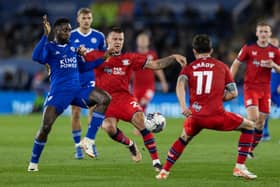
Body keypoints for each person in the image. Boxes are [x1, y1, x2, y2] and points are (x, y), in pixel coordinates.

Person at [81, 27, 186, 171]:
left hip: (124, 98)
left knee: (141, 121)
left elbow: (155, 64)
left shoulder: (129, 58)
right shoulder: (96, 56)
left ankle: (156, 161)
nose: (117, 42)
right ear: (107, 40)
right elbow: (78, 61)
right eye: (114, 39)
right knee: (109, 128)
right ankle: (130, 144)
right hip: (105, 101)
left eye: (120, 39)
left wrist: (173, 57)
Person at [156, 34, 257, 180]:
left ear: (194, 51)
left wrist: (184, 106)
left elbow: (179, 85)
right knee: (249, 126)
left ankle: (164, 171)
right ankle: (239, 167)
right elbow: (234, 93)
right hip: (217, 116)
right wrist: (216, 97)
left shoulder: (188, 68)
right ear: (211, 50)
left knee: (183, 138)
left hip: (195, 116)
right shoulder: (222, 66)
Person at [27, 16, 111, 172]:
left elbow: (84, 68)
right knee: (46, 127)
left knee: (105, 98)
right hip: (59, 93)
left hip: (78, 90)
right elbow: (36, 56)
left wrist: (103, 58)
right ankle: (33, 163)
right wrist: (46, 34)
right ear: (57, 31)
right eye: (65, 30)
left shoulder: (73, 47)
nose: (68, 32)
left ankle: (88, 139)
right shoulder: (50, 48)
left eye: (69, 30)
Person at [230, 22, 280, 158]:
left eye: (266, 32)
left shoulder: (275, 51)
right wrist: (229, 82)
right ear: (257, 33)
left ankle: (250, 148)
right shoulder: (248, 48)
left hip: (266, 89)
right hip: (250, 87)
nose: (263, 34)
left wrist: (274, 65)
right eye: (261, 31)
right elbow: (236, 64)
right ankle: (242, 141)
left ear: (270, 34)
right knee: (253, 118)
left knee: (261, 122)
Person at [70, 8, 107, 159]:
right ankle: (78, 146)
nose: (86, 20)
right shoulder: (70, 35)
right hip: (75, 78)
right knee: (76, 112)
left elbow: (105, 57)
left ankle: (89, 141)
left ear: (91, 19)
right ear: (78, 19)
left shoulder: (98, 36)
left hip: (93, 77)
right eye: (84, 18)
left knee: (93, 110)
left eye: (89, 18)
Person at [132, 32, 168, 135]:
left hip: (149, 87)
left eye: (144, 40)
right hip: (136, 87)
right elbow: (130, 71)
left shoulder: (152, 55)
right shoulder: (134, 56)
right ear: (137, 42)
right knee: (136, 107)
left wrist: (163, 81)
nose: (142, 42)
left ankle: (141, 127)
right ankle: (142, 125)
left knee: (143, 103)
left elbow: (158, 69)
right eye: (141, 40)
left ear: (148, 42)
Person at [262, 37, 280, 141]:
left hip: (277, 88)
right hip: (268, 87)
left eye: (274, 41)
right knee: (264, 110)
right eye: (271, 42)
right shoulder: (264, 54)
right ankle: (265, 133)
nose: (272, 43)